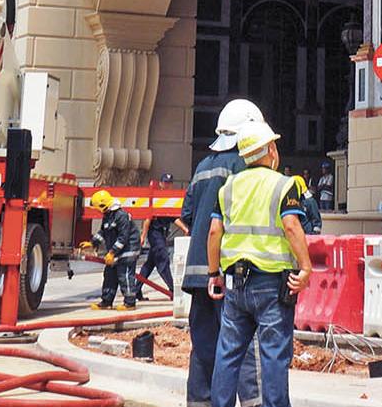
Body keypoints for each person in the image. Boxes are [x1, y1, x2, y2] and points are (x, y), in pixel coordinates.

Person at [207, 121, 312, 407]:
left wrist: (214, 273)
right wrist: (305, 268)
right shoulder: (284, 184)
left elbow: (214, 231)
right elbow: (291, 226)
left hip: (235, 283)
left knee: (228, 353)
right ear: (270, 149)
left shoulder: (228, 187)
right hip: (271, 284)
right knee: (274, 355)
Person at [181, 99, 264, 407]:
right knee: (242, 344)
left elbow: (188, 216)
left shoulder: (202, 167)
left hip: (197, 274)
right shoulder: (243, 166)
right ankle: (255, 402)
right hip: (228, 272)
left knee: (203, 346)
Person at [86, 190, 140, 311]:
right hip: (116, 252)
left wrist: (112, 252)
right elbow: (103, 232)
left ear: (103, 206)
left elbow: (123, 237)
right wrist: (93, 243)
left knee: (124, 275)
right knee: (109, 275)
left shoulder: (121, 216)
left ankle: (130, 303)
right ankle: (106, 301)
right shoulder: (108, 216)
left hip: (128, 250)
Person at [134, 173, 185, 301]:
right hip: (155, 233)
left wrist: (185, 229)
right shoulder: (156, 197)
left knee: (149, 264)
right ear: (161, 184)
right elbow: (147, 219)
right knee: (163, 259)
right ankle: (173, 290)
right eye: (165, 182)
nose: (167, 185)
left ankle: (136, 290)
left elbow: (173, 218)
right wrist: (143, 236)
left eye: (169, 183)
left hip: (161, 235)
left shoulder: (169, 200)